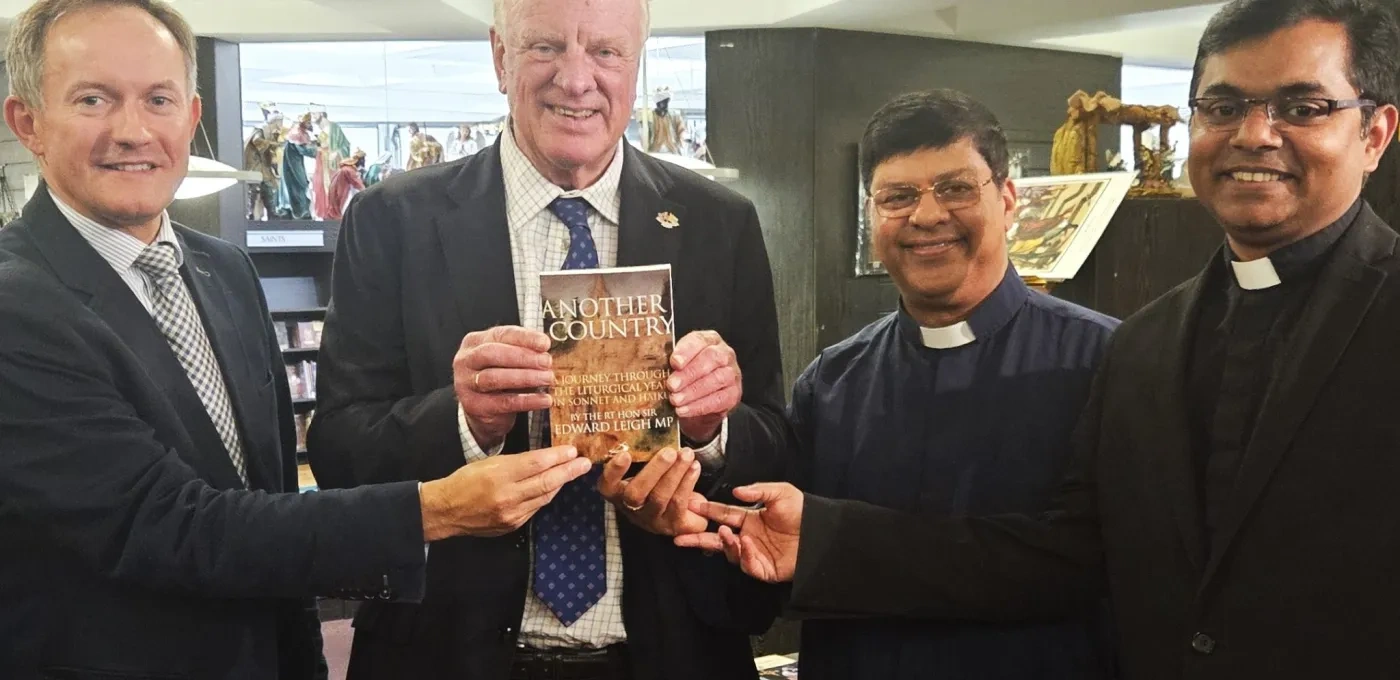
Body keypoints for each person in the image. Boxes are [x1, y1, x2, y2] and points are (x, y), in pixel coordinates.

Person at [679, 0, 1400, 677]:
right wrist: (703, 460)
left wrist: (834, 542)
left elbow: (1071, 563)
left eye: (1302, 108)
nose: (1254, 133)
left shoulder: (1102, 356)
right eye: (1224, 107)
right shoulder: (1151, 344)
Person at [0, 2, 595, 678]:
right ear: (29, 124)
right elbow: (169, 525)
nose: (133, 130)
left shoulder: (223, 272)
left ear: (192, 118)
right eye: (93, 99)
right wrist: (434, 508)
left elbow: (271, 504)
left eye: (158, 99)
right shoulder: (16, 308)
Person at [305, 0, 788, 678]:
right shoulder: (393, 221)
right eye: (546, 48)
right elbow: (337, 452)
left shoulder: (719, 223)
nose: (576, 78)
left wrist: (712, 431)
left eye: (606, 52)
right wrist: (464, 421)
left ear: (636, 64)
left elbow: (778, 445)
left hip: (672, 650)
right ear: (500, 58)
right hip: (449, 654)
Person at [722, 90, 1123, 680]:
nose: (927, 216)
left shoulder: (1107, 363)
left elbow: (1085, 564)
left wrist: (835, 542)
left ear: (1009, 199)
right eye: (898, 197)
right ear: (871, 215)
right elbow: (771, 567)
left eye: (957, 189)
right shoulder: (832, 381)